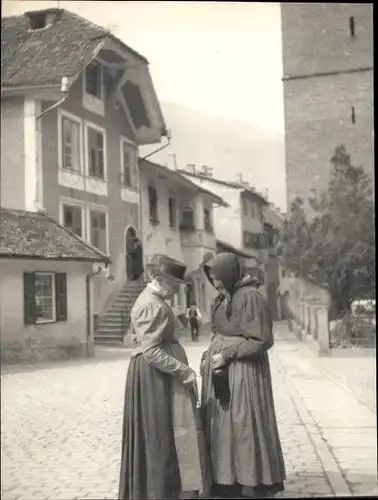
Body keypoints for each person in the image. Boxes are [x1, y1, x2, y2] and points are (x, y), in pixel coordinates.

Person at [200, 252, 286, 499]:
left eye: (218, 276)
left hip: (243, 371)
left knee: (243, 423)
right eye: (212, 277)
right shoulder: (223, 297)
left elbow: (262, 340)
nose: (215, 282)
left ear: (229, 273)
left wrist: (227, 354)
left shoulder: (250, 297)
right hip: (221, 368)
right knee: (223, 425)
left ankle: (250, 480)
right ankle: (227, 478)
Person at [118, 254, 203, 499]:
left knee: (166, 432)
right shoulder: (150, 304)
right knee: (159, 435)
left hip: (159, 376)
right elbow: (152, 351)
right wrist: (183, 370)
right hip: (153, 378)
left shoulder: (156, 300)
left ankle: (166, 489)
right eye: (173, 283)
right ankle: (158, 490)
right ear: (157, 279)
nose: (176, 288)